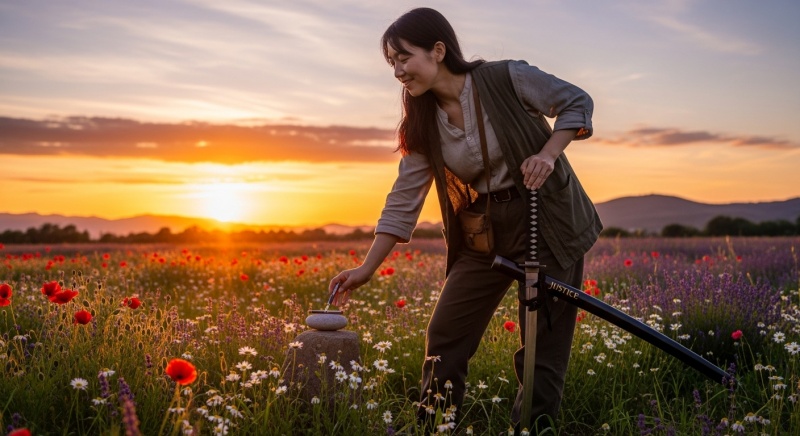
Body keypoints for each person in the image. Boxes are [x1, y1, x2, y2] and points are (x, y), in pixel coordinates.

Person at [328, 7, 602, 431]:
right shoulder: (423, 122)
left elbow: (575, 102)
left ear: (438, 50)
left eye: (404, 58)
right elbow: (403, 201)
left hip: (546, 220)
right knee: (446, 336)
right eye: (392, 63)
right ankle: (435, 426)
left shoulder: (506, 77)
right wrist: (366, 268)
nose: (398, 71)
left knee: (542, 349)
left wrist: (548, 154)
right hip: (484, 232)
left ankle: (531, 429)